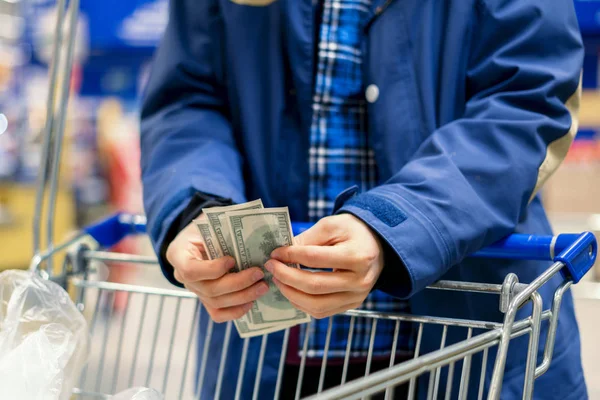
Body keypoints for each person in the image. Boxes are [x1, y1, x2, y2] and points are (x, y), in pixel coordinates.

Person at [140, 0, 586, 398]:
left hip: (473, 339)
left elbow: (528, 105)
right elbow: (187, 98)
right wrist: (196, 206)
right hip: (270, 356)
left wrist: (391, 225)